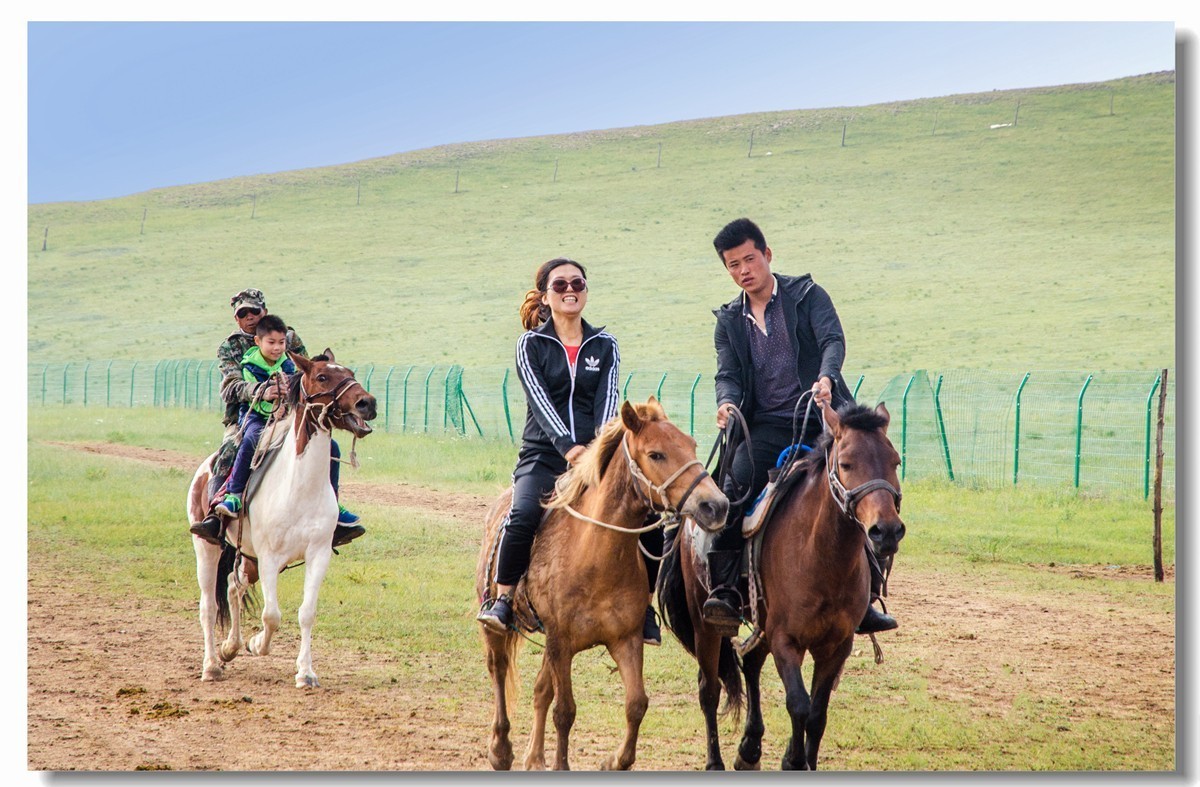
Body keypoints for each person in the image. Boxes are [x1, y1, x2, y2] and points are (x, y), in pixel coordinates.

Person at [704, 217, 897, 636]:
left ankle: (868, 596)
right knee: (735, 485)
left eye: (749, 259)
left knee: (872, 481)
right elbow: (728, 374)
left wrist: (827, 376)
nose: (743, 271)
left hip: (825, 418)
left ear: (767, 255)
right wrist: (726, 403)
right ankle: (726, 590)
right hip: (765, 424)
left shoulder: (808, 295)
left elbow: (832, 340)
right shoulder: (729, 321)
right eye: (733, 265)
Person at [476, 258, 663, 645]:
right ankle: (504, 599)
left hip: (597, 455)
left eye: (577, 282)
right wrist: (568, 449)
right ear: (546, 295)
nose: (569, 289)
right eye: (559, 285)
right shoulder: (531, 344)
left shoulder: (604, 345)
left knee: (649, 513)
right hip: (543, 456)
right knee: (524, 513)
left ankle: (645, 607)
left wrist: (596, 450)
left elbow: (609, 402)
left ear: (586, 291)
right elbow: (540, 403)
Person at [189, 288, 364, 548]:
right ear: (236, 318)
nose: (250, 317)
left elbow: (308, 370)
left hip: (291, 413)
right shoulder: (230, 347)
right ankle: (218, 514)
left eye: (254, 311)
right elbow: (229, 388)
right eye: (243, 313)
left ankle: (333, 513)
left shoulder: (288, 336)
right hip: (247, 415)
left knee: (330, 447)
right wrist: (262, 391)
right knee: (230, 451)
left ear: (265, 311)